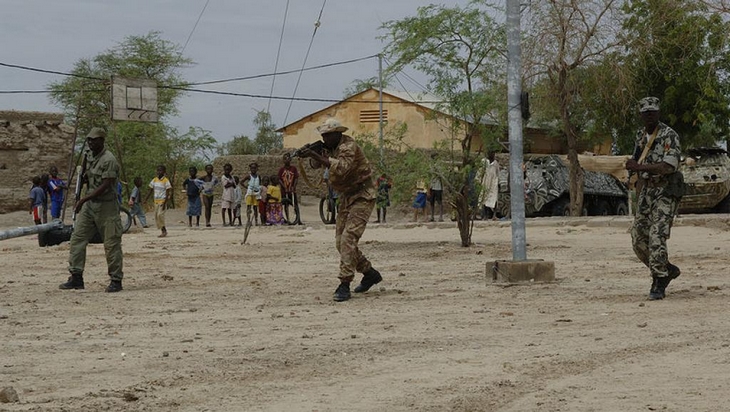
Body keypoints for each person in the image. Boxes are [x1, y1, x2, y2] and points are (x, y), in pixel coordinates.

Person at [300, 118, 383, 302]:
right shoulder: (328, 149)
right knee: (340, 242)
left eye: (328, 135)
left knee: (348, 238)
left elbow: (343, 167)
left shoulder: (348, 146)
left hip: (362, 195)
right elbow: (317, 166)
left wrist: (316, 156)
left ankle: (344, 283)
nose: (325, 138)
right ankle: (369, 272)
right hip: (346, 198)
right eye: (323, 135)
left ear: (337, 134)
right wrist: (311, 154)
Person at [625, 96, 683, 301]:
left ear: (658, 113)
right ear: (641, 115)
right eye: (646, 112)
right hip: (646, 191)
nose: (650, 115)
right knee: (638, 238)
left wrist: (638, 167)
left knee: (657, 235)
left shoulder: (669, 135)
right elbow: (636, 159)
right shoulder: (641, 136)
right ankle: (666, 269)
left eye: (653, 111)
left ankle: (658, 280)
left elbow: (668, 167)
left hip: (665, 191)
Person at [60, 128, 124, 292]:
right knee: (77, 239)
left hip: (106, 206)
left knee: (111, 243)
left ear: (102, 141)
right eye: (88, 140)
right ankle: (76, 276)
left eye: (94, 140)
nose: (90, 143)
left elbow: (106, 184)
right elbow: (86, 176)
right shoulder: (88, 155)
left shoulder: (109, 160)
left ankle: (116, 280)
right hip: (89, 205)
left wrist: (84, 199)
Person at [146, 165, 172, 238]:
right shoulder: (154, 180)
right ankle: (162, 230)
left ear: (164, 172)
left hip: (162, 201)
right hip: (156, 201)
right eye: (158, 170)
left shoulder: (166, 181)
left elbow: (167, 192)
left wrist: (165, 202)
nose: (159, 172)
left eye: (160, 170)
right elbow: (150, 190)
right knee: (156, 217)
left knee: (160, 215)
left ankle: (164, 230)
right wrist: (146, 199)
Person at [279, 153, 302, 225]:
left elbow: (296, 178)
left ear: (290, 159)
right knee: (286, 204)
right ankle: (288, 219)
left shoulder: (293, 168)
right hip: (284, 190)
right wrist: (284, 186)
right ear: (283, 160)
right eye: (285, 158)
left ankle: (298, 219)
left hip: (292, 190)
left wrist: (293, 186)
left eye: (288, 158)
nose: (287, 160)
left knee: (295, 204)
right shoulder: (281, 169)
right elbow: (279, 179)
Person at [479, 151, 500, 220]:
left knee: (494, 199)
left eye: (493, 153)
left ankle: (494, 215)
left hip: (494, 183)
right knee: (484, 199)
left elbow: (497, 173)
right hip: (485, 182)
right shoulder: (484, 162)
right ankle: (485, 215)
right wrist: (479, 182)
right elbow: (480, 172)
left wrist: (498, 183)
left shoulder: (495, 163)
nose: (492, 154)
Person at [428, 153, 444, 222]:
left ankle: (440, 216)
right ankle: (432, 216)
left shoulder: (439, 166)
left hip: (438, 186)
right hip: (432, 185)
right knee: (432, 202)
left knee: (439, 202)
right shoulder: (430, 166)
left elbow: (441, 175)